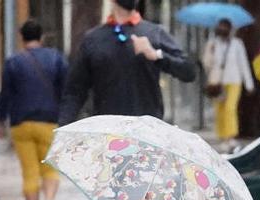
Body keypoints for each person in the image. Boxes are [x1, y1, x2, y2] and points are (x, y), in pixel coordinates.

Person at [58, 0, 196, 127]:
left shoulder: (154, 33)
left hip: (147, 130)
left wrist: (157, 55)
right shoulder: (93, 39)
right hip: (107, 130)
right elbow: (75, 91)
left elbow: (189, 72)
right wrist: (63, 128)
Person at [0, 20, 67, 200]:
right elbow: (66, 91)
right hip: (49, 122)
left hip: (21, 124)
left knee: (29, 174)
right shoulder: (56, 58)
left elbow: (5, 94)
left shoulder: (13, 62)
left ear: (21, 37)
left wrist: (0, 121)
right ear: (42, 37)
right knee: (50, 169)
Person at [201, 19, 255, 153]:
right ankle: (222, 137)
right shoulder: (213, 44)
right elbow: (206, 64)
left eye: (226, 27)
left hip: (234, 81)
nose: (223, 29)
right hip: (218, 83)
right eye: (221, 26)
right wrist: (210, 50)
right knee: (219, 109)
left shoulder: (237, 44)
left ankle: (231, 137)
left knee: (230, 108)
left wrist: (249, 83)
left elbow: (243, 64)